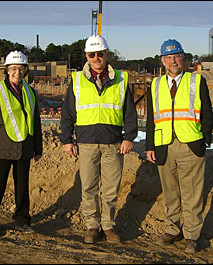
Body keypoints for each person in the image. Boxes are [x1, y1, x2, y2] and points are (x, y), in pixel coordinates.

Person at [60, 35, 138, 244]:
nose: (96, 58)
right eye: (92, 55)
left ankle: (108, 225)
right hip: (86, 143)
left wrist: (129, 137)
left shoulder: (121, 79)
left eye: (100, 54)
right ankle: (92, 226)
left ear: (107, 55)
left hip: (113, 143)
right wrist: (67, 140)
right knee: (89, 187)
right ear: (87, 56)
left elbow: (130, 112)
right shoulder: (77, 80)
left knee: (111, 188)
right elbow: (67, 113)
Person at [145, 39, 213, 253]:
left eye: (176, 56)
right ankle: (172, 230)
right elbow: (151, 118)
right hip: (164, 144)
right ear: (163, 61)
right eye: (168, 57)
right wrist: (150, 146)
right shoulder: (155, 85)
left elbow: (208, 114)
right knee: (170, 191)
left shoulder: (197, 81)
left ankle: (192, 235)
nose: (173, 61)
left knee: (192, 192)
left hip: (190, 144)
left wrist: (204, 140)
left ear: (183, 58)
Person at [0, 50, 43, 239]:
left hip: (24, 148)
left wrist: (38, 148)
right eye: (13, 68)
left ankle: (22, 220)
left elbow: (36, 122)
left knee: (23, 187)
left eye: (21, 68)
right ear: (7, 70)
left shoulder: (30, 92)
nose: (17, 72)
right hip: (1, 148)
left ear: (25, 70)